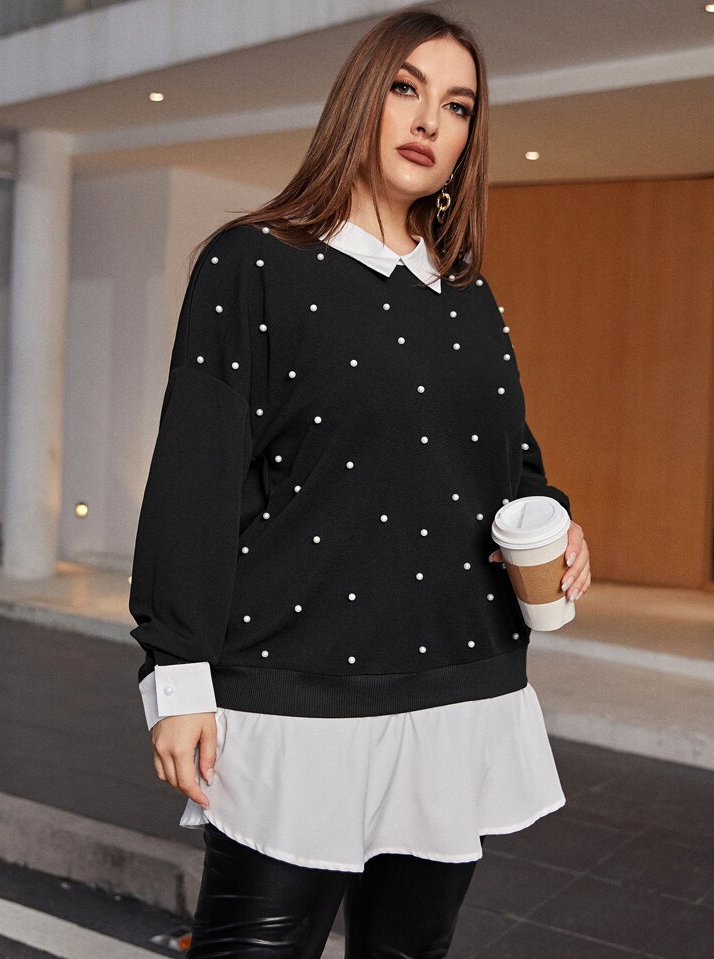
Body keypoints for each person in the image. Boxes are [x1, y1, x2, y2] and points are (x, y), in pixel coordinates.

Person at [128, 8, 592, 957]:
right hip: (295, 695)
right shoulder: (251, 263)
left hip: (457, 688)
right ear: (359, 102)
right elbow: (193, 483)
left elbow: (510, 465)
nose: (429, 121)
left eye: (457, 106)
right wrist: (176, 676)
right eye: (406, 89)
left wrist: (559, 520)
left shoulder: (467, 294)